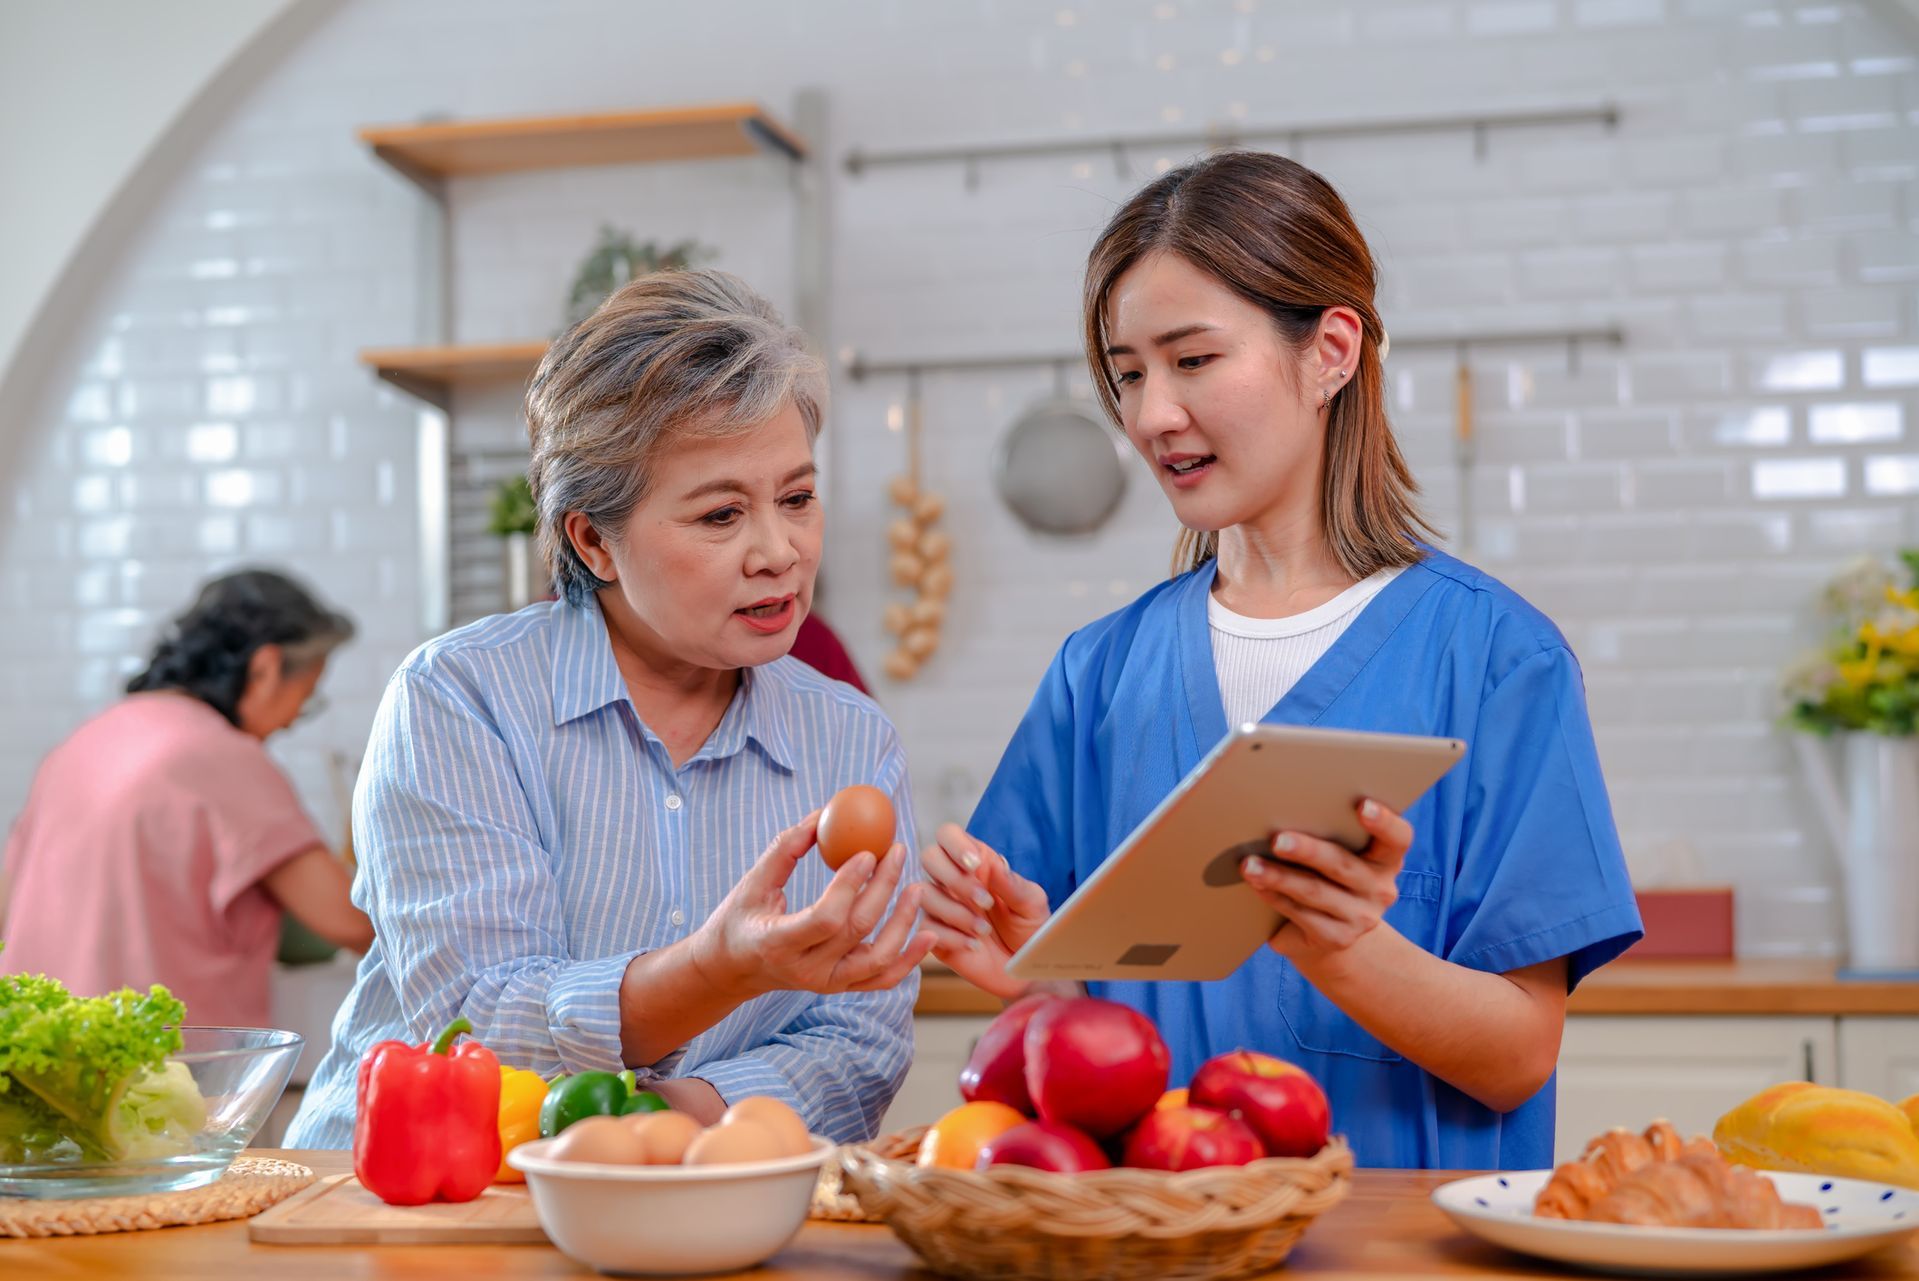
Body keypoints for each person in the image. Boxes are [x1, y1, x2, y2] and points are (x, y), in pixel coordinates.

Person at [917, 151, 1642, 1171]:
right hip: (1156, 1248)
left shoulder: (1495, 660)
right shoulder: (1098, 675)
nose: (1153, 414)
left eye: (1194, 360)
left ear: (1330, 351)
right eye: (1127, 373)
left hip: (1399, 1251)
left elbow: (1519, 1054)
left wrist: (1353, 952)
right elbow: (1097, 1059)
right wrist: (1035, 981)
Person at [287, 270, 932, 1148]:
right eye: (720, 515)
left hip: (701, 1197)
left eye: (796, 498)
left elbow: (861, 1040)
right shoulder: (459, 701)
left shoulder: (849, 736)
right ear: (593, 540)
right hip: (427, 1198)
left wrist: (674, 1118)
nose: (779, 552)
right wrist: (718, 969)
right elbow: (477, 1018)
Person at [0, 569, 370, 1026]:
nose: (294, 719)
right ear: (267, 667)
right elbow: (353, 922)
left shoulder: (80, 744)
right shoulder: (225, 758)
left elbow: (8, 905)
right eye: (306, 695)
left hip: (35, 1065)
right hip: (161, 1076)